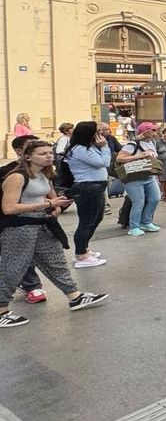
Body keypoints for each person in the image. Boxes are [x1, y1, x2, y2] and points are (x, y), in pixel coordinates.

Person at [0, 140, 107, 327]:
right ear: (27, 156)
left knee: (56, 261)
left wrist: (56, 206)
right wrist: (49, 204)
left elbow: (50, 195)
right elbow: (9, 208)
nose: (49, 156)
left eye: (50, 152)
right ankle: (1, 310)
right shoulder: (16, 176)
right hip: (19, 228)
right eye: (42, 153)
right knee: (13, 268)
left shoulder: (44, 173)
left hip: (43, 224)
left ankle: (75, 296)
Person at [0, 135, 46, 302]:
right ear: (20, 152)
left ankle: (32, 286)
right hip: (12, 220)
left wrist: (52, 204)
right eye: (32, 146)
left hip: (34, 219)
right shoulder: (9, 172)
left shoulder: (40, 170)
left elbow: (47, 189)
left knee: (28, 255)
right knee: (17, 257)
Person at [62, 122, 111, 269]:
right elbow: (103, 162)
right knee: (86, 222)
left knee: (96, 218)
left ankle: (84, 249)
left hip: (96, 187)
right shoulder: (79, 149)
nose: (100, 135)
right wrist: (105, 147)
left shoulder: (87, 147)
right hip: (88, 188)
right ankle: (81, 255)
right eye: (97, 132)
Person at [116, 122, 164, 236]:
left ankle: (146, 222)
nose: (157, 132)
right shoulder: (133, 144)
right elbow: (119, 158)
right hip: (134, 178)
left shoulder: (152, 142)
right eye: (154, 130)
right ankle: (134, 226)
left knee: (155, 198)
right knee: (138, 202)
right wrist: (139, 156)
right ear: (147, 132)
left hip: (149, 175)